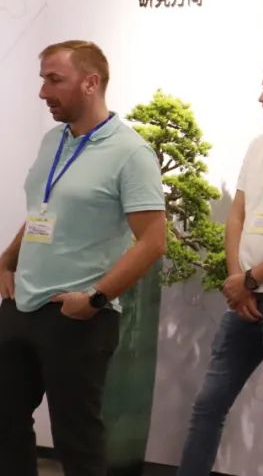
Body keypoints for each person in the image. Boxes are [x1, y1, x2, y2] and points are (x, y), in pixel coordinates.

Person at [0, 40, 167, 476]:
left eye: (54, 80)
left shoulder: (131, 153)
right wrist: (7, 259)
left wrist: (95, 299)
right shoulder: (53, 140)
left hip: (77, 315)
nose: (43, 92)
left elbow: (153, 241)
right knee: (5, 424)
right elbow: (44, 210)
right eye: (43, 80)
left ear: (91, 83)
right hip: (21, 305)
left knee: (77, 441)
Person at [178, 57, 263, 476]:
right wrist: (238, 279)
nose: (262, 97)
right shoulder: (258, 146)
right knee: (208, 403)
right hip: (244, 303)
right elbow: (236, 215)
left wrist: (249, 280)